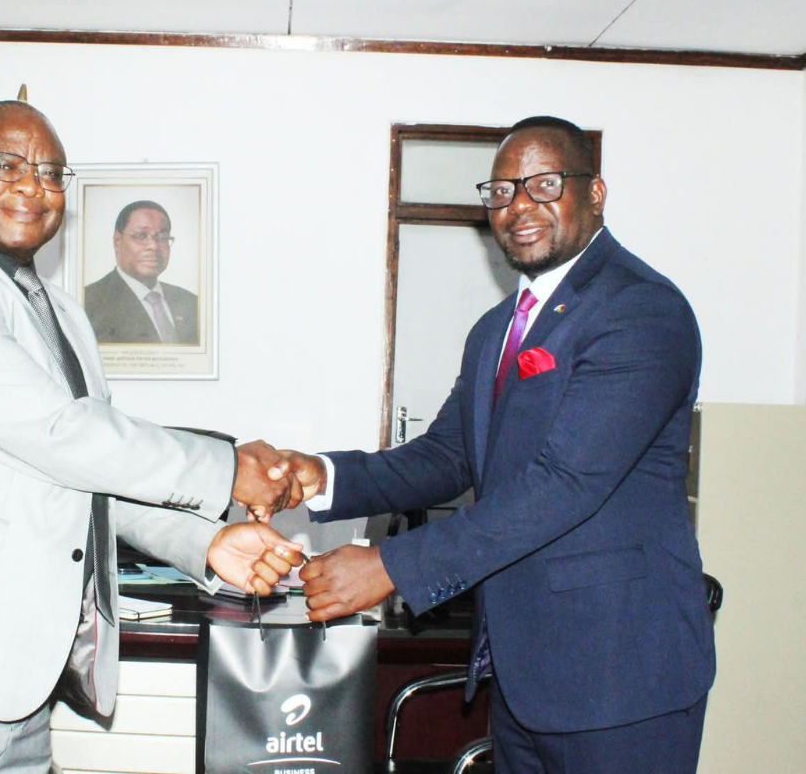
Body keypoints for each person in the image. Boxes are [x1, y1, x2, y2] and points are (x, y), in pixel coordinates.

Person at [0, 100, 303, 773]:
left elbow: (89, 476)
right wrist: (227, 469)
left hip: (18, 684)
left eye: (50, 173)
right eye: (4, 165)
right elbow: (60, 434)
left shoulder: (62, 314)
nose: (31, 186)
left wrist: (207, 543)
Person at [265, 117, 716, 773]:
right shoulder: (496, 329)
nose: (518, 206)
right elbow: (448, 455)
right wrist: (321, 476)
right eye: (501, 191)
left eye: (543, 184)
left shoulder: (641, 310)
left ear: (594, 193)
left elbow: (565, 483)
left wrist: (392, 565)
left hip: (623, 676)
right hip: (524, 674)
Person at [84, 200, 199, 344]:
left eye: (162, 238)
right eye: (141, 236)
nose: (154, 246)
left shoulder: (191, 303)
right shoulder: (89, 302)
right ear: (117, 242)